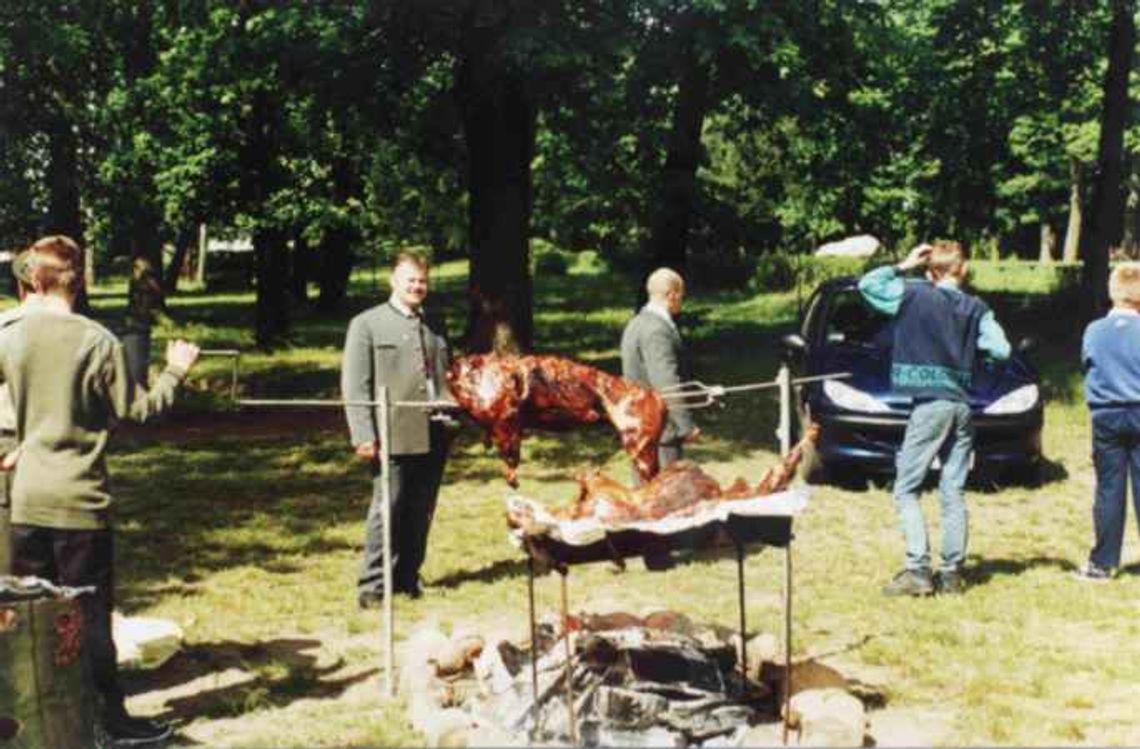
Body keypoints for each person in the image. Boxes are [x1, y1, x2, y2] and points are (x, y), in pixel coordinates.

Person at [0, 235, 200, 744]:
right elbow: (139, 411)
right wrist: (175, 371)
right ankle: (108, 722)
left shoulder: (8, 334)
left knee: (30, 624)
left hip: (26, 499)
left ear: (33, 279)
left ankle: (36, 720)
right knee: (87, 620)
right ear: (78, 279)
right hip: (79, 504)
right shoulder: (96, 341)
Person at [858, 241, 1010, 596]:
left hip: (929, 406)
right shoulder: (978, 308)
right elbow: (1002, 349)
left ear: (931, 271)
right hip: (962, 405)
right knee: (953, 490)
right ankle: (951, 574)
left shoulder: (913, 297)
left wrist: (903, 264)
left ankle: (918, 571)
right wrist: (981, 364)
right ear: (962, 270)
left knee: (906, 489)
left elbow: (869, 286)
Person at [341, 251, 450, 608]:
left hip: (433, 433)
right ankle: (372, 586)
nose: (418, 287)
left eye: (423, 281)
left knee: (421, 510)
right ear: (393, 281)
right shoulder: (367, 324)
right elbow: (355, 385)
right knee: (387, 509)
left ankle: (408, 579)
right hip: (391, 433)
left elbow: (444, 376)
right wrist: (362, 434)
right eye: (411, 281)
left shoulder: (434, 326)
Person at [1077, 263, 1140, 581]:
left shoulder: (1094, 330)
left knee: (1109, 489)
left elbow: (1086, 366)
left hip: (1106, 414)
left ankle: (1103, 562)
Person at [621, 267, 700, 475]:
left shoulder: (636, 323)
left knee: (644, 498)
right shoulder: (657, 330)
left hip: (640, 428)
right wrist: (685, 425)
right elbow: (666, 381)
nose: (681, 300)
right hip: (661, 432)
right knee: (666, 499)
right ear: (672, 294)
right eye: (681, 294)